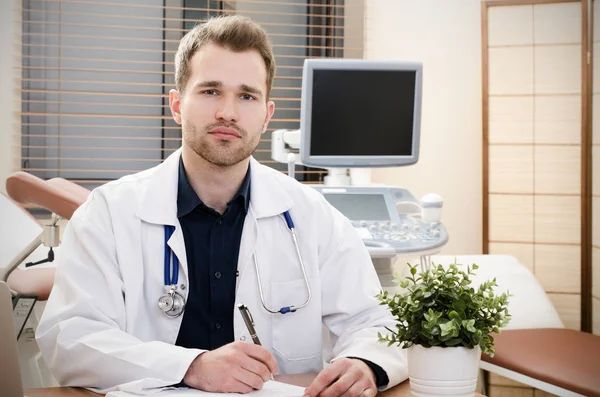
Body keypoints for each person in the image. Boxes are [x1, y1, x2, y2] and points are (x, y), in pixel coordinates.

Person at [36, 15, 407, 397]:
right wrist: (190, 366)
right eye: (211, 91)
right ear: (177, 105)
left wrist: (365, 363)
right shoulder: (108, 213)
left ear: (266, 115)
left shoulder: (311, 216)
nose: (228, 112)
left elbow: (375, 320)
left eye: (247, 96)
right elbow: (72, 337)